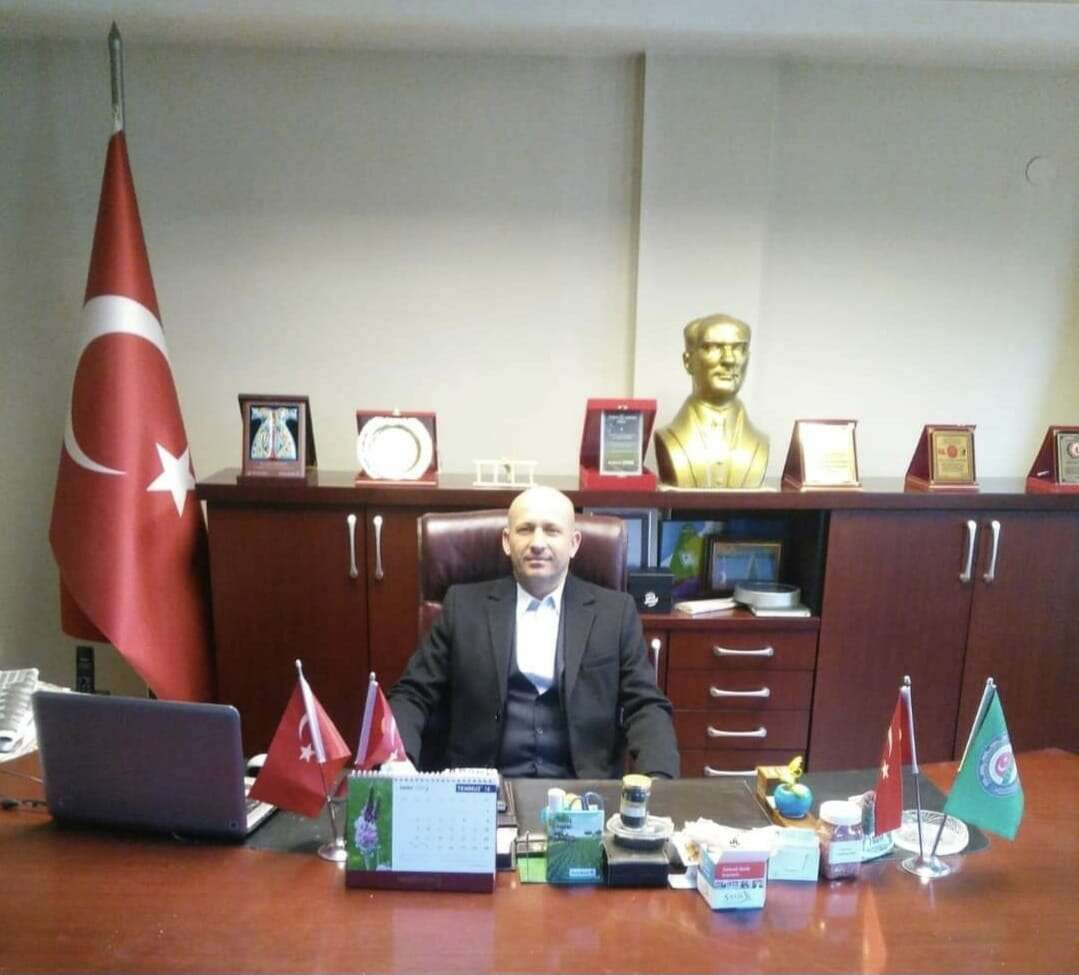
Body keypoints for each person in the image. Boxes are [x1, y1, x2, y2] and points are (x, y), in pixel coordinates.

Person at [389, 486, 680, 779]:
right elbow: (413, 693)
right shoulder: (462, 607)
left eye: (552, 531)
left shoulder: (615, 613)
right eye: (525, 529)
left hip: (584, 792)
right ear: (507, 541)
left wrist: (658, 779)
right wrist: (396, 761)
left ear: (574, 543)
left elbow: (646, 705)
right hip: (482, 789)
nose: (537, 543)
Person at [655, 313, 768, 489]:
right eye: (713, 347)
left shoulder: (760, 442)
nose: (729, 360)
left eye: (739, 348)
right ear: (688, 361)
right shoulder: (668, 437)